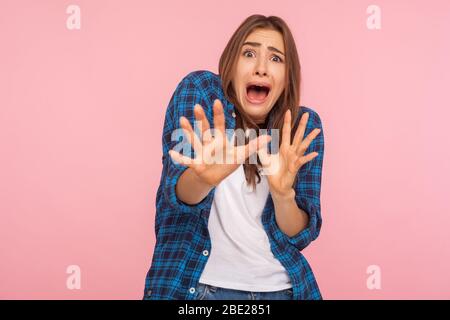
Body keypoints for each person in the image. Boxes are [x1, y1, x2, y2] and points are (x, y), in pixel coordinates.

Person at [143, 14, 325, 300]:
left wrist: (282, 195)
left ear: (287, 76)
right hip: (198, 289)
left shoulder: (302, 126)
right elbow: (178, 193)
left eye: (276, 59)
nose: (262, 68)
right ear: (231, 63)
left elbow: (298, 233)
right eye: (249, 53)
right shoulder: (201, 91)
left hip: (283, 290)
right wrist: (203, 179)